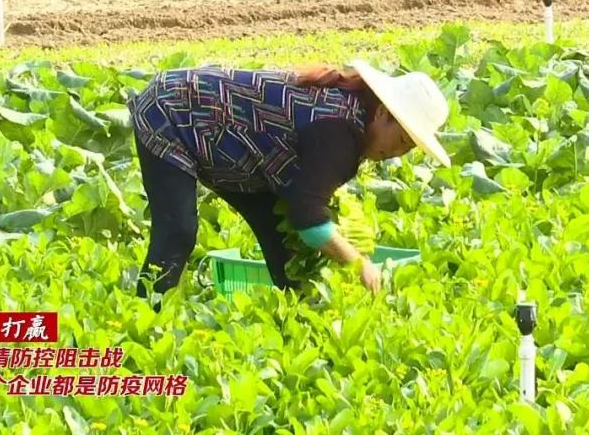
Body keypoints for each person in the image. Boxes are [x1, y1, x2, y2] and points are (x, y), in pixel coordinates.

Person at [126, 60, 452, 310]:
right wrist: (358, 262)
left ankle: (300, 325)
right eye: (400, 140)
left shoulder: (353, 116)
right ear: (382, 114)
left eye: (407, 149)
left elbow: (304, 206)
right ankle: (145, 324)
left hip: (235, 148)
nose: (395, 152)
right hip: (172, 112)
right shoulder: (340, 134)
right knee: (178, 230)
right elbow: (309, 220)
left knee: (284, 244)